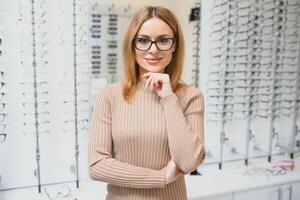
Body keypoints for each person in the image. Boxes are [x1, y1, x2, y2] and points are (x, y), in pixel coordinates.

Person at [88, 5, 206, 200]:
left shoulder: (191, 97)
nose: (154, 50)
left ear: (174, 45)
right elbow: (97, 166)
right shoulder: (110, 95)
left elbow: (188, 162)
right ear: (132, 45)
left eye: (163, 40)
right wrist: (160, 177)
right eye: (143, 40)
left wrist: (169, 98)